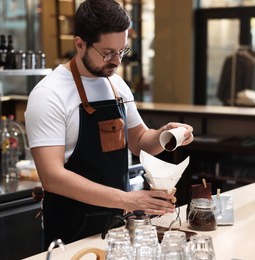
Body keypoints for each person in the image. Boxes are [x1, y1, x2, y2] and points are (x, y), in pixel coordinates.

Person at [24, 0, 194, 247]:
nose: (116, 61)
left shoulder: (116, 85)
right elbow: (52, 177)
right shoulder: (49, 94)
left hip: (116, 229)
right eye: (108, 52)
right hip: (71, 232)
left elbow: (138, 142)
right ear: (80, 44)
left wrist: (164, 135)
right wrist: (128, 200)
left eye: (122, 51)